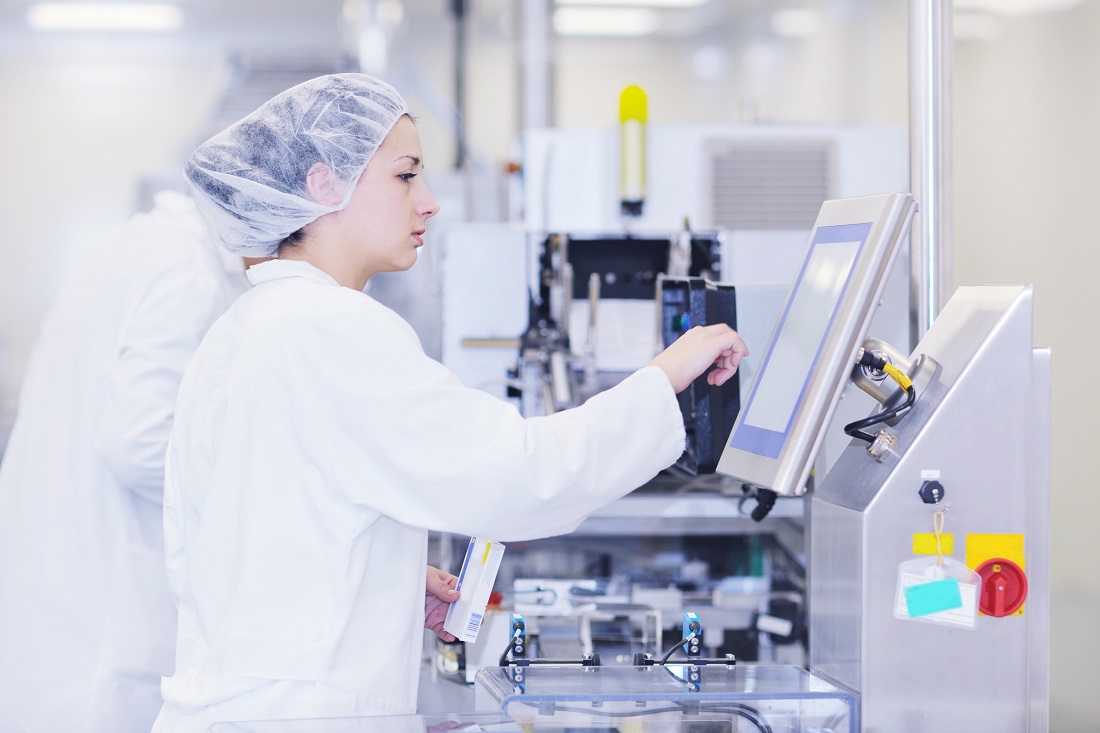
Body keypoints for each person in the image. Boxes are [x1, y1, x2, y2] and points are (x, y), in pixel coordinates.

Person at [154, 72, 748, 731]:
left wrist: (389, 590)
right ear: (324, 184)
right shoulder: (332, 328)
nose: (430, 202)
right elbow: (523, 476)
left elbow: (241, 549)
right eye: (406, 176)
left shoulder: (243, 327)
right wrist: (664, 378)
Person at [0, 189, 461, 733]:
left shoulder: (137, 243)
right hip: (108, 624)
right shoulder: (187, 268)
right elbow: (138, 442)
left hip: (65, 594)